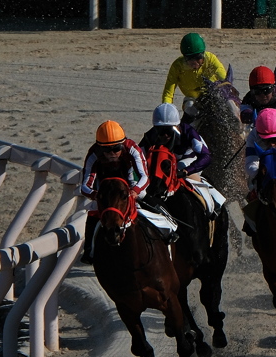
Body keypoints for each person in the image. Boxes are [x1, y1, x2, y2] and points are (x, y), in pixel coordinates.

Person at [79, 120, 151, 263]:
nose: (112, 153)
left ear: (123, 144)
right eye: (106, 150)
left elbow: (145, 177)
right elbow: (85, 186)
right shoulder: (93, 154)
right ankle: (89, 250)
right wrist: (96, 195)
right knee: (94, 208)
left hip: (128, 180)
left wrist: (135, 191)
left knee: (143, 196)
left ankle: (166, 230)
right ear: (100, 148)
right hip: (104, 184)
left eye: (116, 148)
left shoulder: (132, 149)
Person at [161, 32, 228, 123]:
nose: (194, 62)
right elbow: (168, 92)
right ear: (184, 57)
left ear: (203, 54)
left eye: (198, 57)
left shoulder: (211, 59)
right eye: (189, 58)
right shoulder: (177, 66)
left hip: (212, 96)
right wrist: (166, 110)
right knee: (189, 107)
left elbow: (224, 80)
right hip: (192, 99)